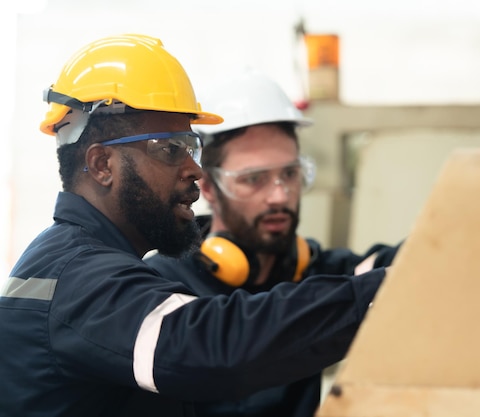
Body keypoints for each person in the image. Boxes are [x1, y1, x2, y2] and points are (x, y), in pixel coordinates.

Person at [0, 34, 388, 417]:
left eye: (191, 148)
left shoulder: (78, 263)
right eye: (170, 150)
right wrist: (374, 297)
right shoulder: (81, 279)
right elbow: (211, 348)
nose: (195, 170)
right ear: (103, 165)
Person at [144, 69, 401, 417]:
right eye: (254, 179)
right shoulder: (162, 287)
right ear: (206, 187)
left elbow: (405, 266)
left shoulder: (318, 271)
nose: (279, 196)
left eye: (290, 174)